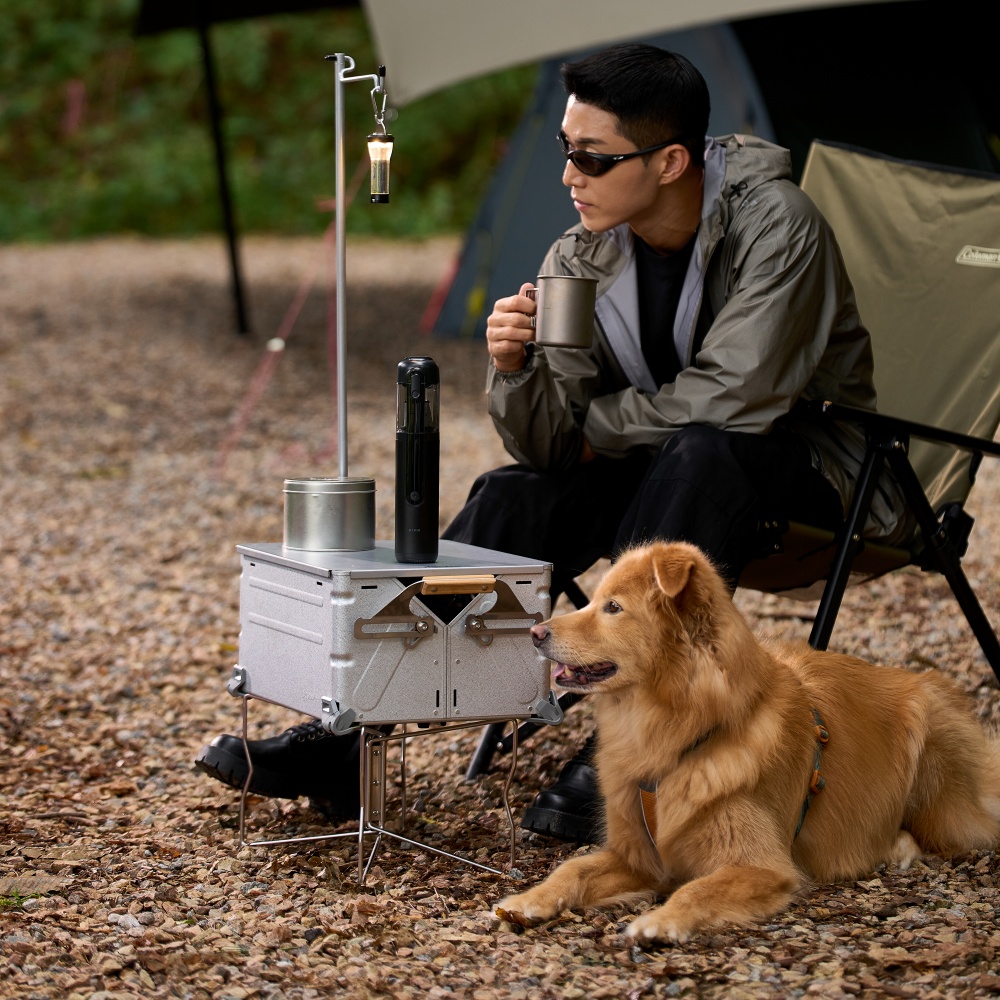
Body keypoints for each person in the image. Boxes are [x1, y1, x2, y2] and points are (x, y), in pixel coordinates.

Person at [195, 42, 904, 842]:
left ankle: (638, 753)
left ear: (671, 161)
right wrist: (515, 372)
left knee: (705, 449)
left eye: (593, 159)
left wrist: (596, 432)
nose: (570, 176)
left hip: (809, 472)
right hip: (659, 479)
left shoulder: (779, 226)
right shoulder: (579, 254)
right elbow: (547, 451)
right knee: (511, 495)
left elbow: (737, 400)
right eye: (566, 152)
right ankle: (348, 732)